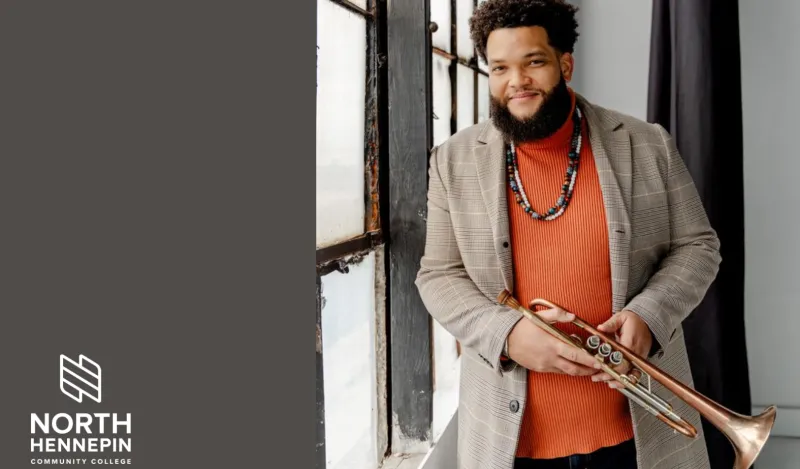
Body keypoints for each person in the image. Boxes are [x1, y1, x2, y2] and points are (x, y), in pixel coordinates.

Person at [414, 0, 721, 468]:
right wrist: (508, 334)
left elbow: (698, 246)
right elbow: (437, 275)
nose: (516, 81)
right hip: (509, 439)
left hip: (634, 433)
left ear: (565, 64)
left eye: (533, 62)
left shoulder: (647, 143)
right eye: (500, 68)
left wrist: (650, 316)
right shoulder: (452, 161)